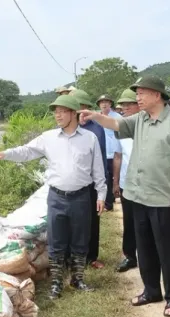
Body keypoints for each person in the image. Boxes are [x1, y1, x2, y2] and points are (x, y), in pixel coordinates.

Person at [79, 75, 170, 317]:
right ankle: (151, 291)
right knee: (144, 248)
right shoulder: (138, 119)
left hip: (163, 197)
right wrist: (95, 116)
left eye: (142, 93)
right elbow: (116, 125)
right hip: (137, 194)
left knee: (167, 251)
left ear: (157, 95)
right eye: (137, 93)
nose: (137, 97)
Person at [0, 95, 107, 300]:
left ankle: (77, 279)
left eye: (61, 111)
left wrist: (101, 194)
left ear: (73, 113)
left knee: (80, 241)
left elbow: (98, 169)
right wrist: (6, 153)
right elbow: (27, 151)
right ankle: (56, 284)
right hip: (57, 198)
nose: (57, 115)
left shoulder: (90, 139)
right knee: (57, 241)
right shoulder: (48, 137)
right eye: (55, 111)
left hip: (81, 197)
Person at [69, 89, 108, 269]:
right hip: (72, 181)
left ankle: (91, 256)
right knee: (72, 220)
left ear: (86, 108)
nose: (78, 111)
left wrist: (103, 188)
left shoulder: (96, 128)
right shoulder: (64, 128)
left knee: (92, 220)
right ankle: (72, 256)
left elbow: (100, 158)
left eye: (80, 107)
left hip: (92, 181)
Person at [113, 89, 140, 273]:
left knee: (149, 222)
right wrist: (115, 182)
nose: (125, 108)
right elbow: (117, 156)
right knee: (129, 222)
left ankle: (153, 256)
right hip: (126, 183)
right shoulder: (121, 128)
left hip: (148, 184)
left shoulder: (150, 125)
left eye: (129, 104)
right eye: (123, 105)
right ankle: (130, 256)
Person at [97, 94, 121, 216]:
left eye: (106, 102)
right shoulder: (97, 117)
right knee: (105, 178)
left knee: (115, 176)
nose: (104, 104)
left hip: (115, 153)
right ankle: (108, 203)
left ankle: (116, 196)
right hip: (102, 153)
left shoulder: (117, 117)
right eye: (102, 102)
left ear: (110, 104)